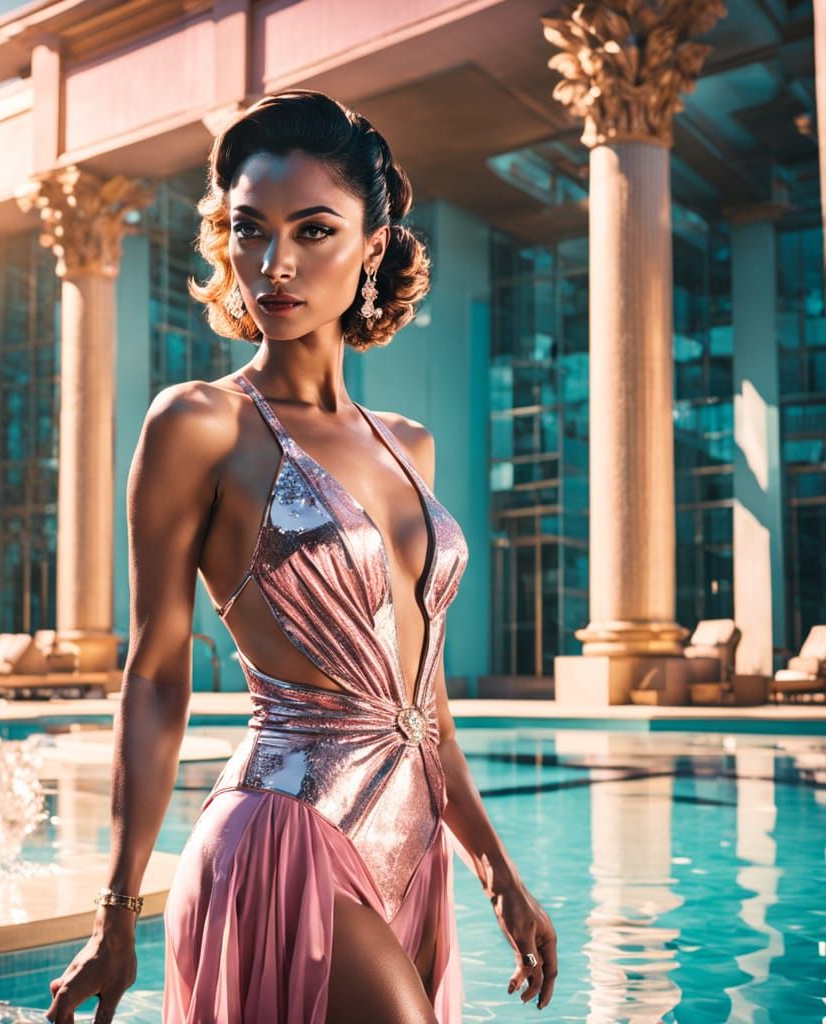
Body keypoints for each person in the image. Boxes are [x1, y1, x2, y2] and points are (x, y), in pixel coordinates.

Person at [45, 89, 557, 1024]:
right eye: (250, 230)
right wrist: (116, 909)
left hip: (412, 851)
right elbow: (156, 674)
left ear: (373, 245)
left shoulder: (411, 443)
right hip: (285, 841)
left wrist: (497, 870)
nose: (274, 265)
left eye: (314, 230)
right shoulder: (199, 424)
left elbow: (422, 705)